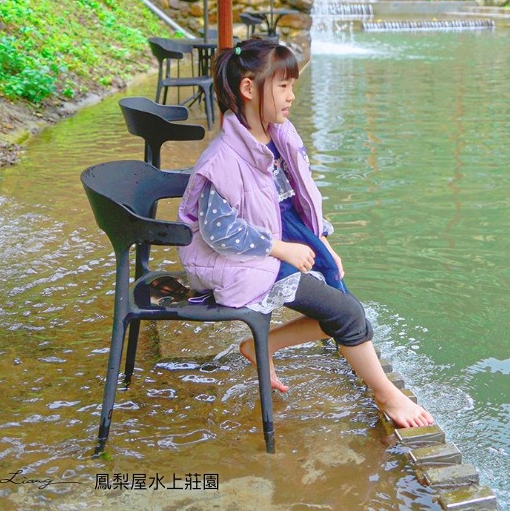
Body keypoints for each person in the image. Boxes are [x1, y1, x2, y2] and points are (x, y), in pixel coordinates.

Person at [177, 38, 433, 429]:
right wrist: (281, 249)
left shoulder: (279, 136)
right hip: (246, 258)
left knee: (340, 298)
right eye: (283, 86)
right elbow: (218, 231)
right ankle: (387, 394)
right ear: (249, 89)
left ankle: (257, 347)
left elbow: (300, 196)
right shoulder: (223, 159)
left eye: (292, 86)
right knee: (347, 313)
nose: (292, 96)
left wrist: (321, 239)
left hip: (286, 237)